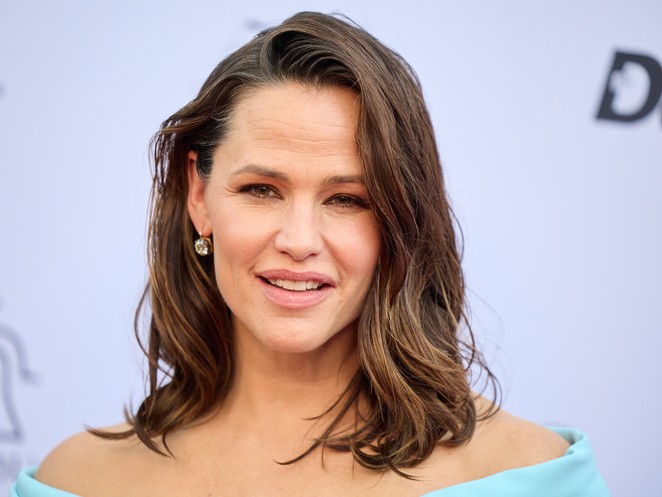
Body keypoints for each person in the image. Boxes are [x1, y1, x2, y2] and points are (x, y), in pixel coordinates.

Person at [11, 11, 609, 497]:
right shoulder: (75, 481)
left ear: (400, 220)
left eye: (347, 199)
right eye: (260, 190)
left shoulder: (525, 476)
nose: (299, 241)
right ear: (199, 194)